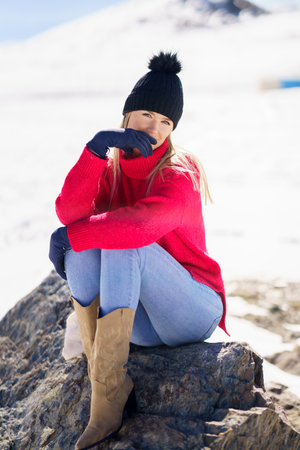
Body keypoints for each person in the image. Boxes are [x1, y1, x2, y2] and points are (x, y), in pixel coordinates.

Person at [49, 51, 228, 450]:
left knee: (122, 242)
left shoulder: (180, 172)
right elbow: (70, 211)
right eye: (147, 114)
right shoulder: (111, 168)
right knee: (84, 250)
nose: (155, 128)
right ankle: (109, 378)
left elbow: (139, 227)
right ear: (127, 115)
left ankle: (104, 409)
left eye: (167, 122)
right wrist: (96, 150)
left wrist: (72, 234)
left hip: (192, 310)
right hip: (142, 327)